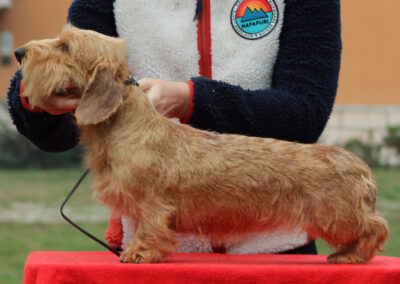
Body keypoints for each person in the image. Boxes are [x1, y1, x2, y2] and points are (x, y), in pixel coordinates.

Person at [7, 0, 342, 255]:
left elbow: (305, 113)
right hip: (147, 248)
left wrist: (193, 99)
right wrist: (34, 101)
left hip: (274, 249)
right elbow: (60, 131)